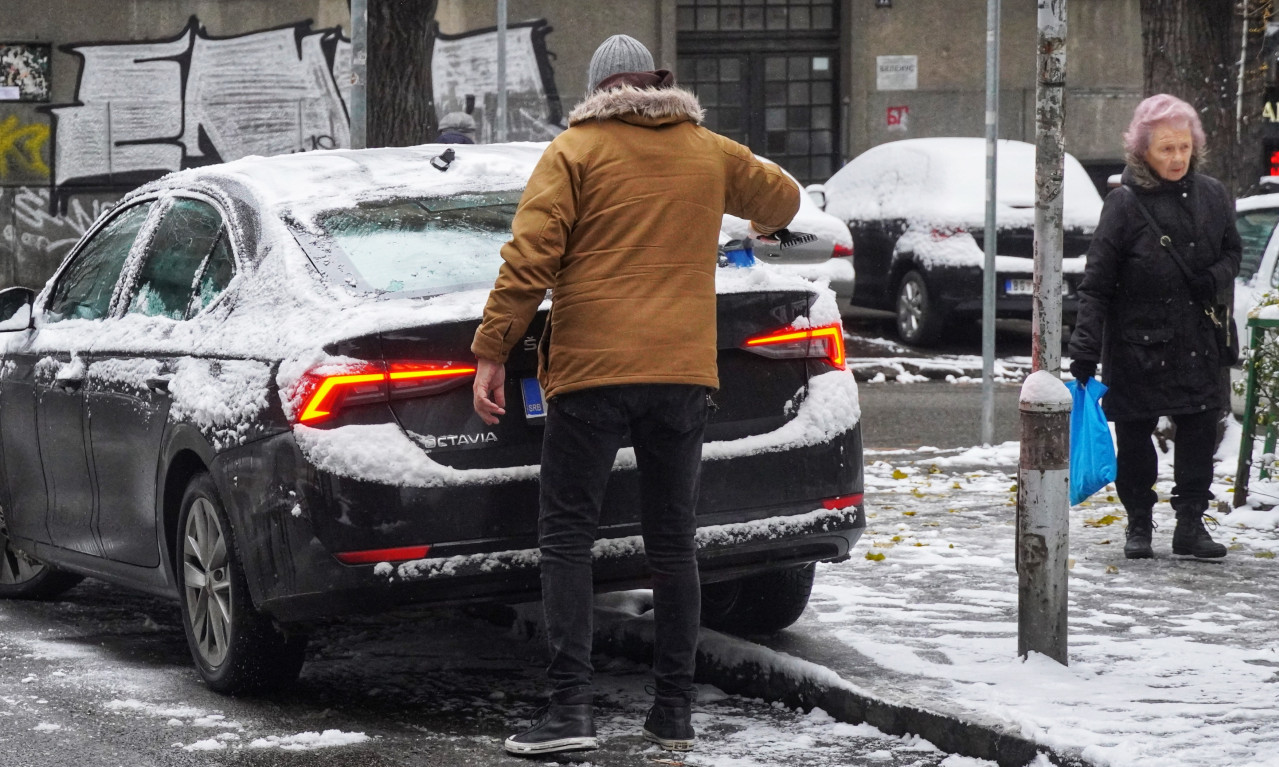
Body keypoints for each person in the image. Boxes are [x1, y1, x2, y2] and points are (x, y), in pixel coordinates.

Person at [470, 34, 799, 756]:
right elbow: (783, 196)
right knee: (673, 541)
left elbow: (529, 258)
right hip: (682, 375)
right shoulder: (707, 149)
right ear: (655, 80)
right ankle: (673, 711)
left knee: (566, 537)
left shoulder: (574, 152)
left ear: (597, 90)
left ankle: (570, 711)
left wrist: (493, 348)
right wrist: (757, 222)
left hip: (591, 373)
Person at [1068, 94, 1241, 561]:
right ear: (1143, 150)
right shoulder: (1124, 204)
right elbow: (1096, 283)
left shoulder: (1212, 194)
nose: (1177, 158)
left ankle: (1190, 525)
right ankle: (1139, 524)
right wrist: (1084, 347)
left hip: (1198, 341)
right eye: (1166, 148)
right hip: (1136, 343)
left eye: (1184, 147)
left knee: (1199, 432)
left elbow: (1232, 251)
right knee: (1136, 437)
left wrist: (1214, 277)